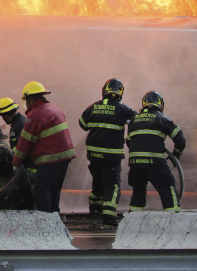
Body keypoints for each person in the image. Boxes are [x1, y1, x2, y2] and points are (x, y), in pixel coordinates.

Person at [79, 78, 136, 225]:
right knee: (112, 185)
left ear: (104, 90)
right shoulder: (123, 109)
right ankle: (109, 216)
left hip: (94, 156)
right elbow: (137, 121)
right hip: (111, 157)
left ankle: (95, 209)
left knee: (97, 183)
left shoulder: (93, 107)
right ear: (120, 93)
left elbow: (83, 124)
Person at [12, 81, 76, 213]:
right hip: (64, 157)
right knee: (54, 189)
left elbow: (25, 142)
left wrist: (15, 163)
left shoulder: (35, 115)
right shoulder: (54, 109)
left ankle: (46, 222)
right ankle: (55, 219)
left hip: (50, 159)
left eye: (27, 100)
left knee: (41, 191)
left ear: (30, 99)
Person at [126, 90, 186, 212]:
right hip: (155, 163)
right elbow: (180, 139)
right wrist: (176, 153)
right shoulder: (162, 118)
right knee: (168, 188)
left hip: (135, 164)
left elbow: (129, 142)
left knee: (138, 193)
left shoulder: (133, 120)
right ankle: (173, 219)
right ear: (161, 105)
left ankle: (133, 221)